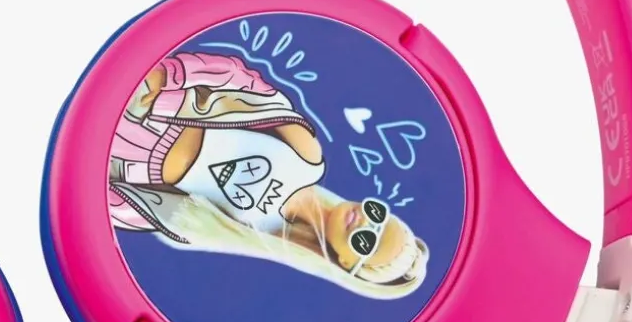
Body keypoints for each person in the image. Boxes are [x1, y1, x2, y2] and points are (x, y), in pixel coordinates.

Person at [109, 51, 428, 294]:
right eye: (378, 216)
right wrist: (169, 76)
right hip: (147, 104)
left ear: (346, 264)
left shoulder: (258, 237)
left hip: (123, 164)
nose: (365, 222)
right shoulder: (307, 159)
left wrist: (101, 190)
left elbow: (156, 212)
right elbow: (246, 83)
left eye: (366, 241)